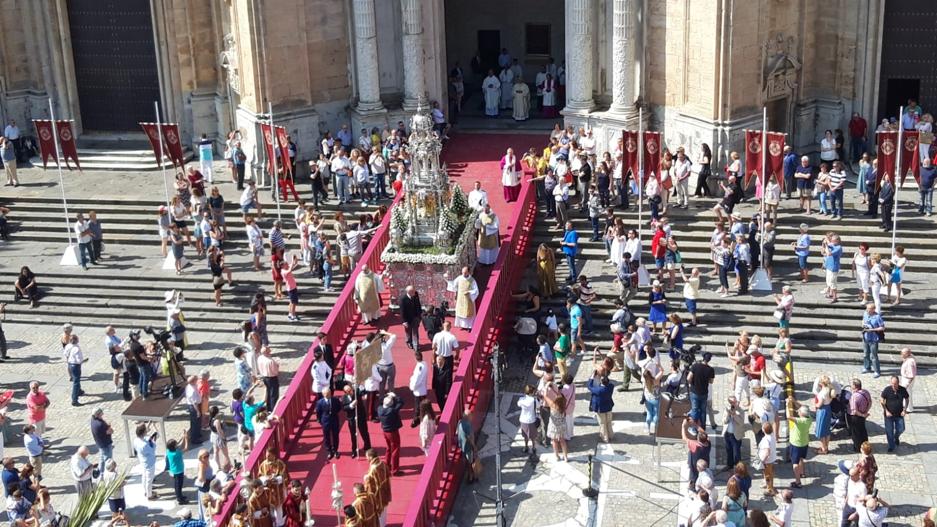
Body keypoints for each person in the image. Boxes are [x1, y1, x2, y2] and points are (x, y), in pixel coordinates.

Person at [881, 375, 909, 452]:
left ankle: (896, 437)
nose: (894, 385)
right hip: (889, 415)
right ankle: (891, 446)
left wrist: (905, 409)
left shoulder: (902, 390)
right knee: (889, 431)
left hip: (899, 414)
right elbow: (882, 401)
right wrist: (886, 411)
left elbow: (907, 399)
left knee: (901, 428)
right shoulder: (887, 390)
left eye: (895, 383)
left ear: (898, 383)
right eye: (892, 383)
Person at [377, 393, 404, 474]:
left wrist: (387, 396)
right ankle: (395, 470)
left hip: (385, 431)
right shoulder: (392, 411)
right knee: (395, 449)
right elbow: (401, 402)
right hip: (392, 432)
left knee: (389, 448)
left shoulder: (380, 409)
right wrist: (395, 396)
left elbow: (381, 401)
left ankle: (387, 464)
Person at [687, 352, 715, 429]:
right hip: (704, 393)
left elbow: (688, 378)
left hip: (694, 392)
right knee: (703, 411)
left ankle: (693, 428)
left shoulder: (695, 366)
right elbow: (711, 381)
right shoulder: (711, 370)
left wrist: (691, 384)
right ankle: (703, 427)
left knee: (695, 410)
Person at [587, 371, 614, 443]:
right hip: (608, 407)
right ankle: (611, 435)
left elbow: (589, 386)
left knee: (603, 423)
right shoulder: (611, 387)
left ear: (601, 382)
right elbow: (610, 383)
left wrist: (592, 378)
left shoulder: (598, 390)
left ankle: (605, 438)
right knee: (608, 422)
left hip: (600, 409)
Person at [133, 424, 158, 500]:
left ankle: (146, 491)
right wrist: (153, 442)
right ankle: (149, 495)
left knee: (144, 476)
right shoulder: (144, 445)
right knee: (149, 479)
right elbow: (152, 450)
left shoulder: (136, 440)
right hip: (149, 462)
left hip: (143, 461)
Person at [860, 303, 884, 378]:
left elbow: (882, 328)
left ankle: (877, 371)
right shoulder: (865, 314)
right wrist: (863, 324)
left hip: (874, 339)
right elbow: (863, 320)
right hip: (866, 337)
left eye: (869, 309)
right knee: (865, 354)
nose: (867, 310)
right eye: (867, 308)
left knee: (874, 356)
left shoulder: (877, 317)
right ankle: (867, 367)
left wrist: (872, 330)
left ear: (873, 309)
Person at [63, 334, 85, 407]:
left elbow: (65, 354)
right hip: (75, 365)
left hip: (70, 363)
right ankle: (74, 399)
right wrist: (82, 361)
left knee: (76, 380)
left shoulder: (68, 346)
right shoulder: (76, 348)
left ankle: (79, 391)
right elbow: (79, 359)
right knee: (76, 381)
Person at [90, 407, 114, 473]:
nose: (102, 414)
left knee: (102, 459)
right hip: (105, 444)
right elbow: (110, 431)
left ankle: (101, 472)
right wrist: (109, 427)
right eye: (101, 413)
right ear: (97, 415)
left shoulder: (93, 420)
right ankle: (108, 473)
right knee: (108, 460)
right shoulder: (100, 424)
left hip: (100, 444)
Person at [398, 286, 422, 350]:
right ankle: (409, 342)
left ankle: (416, 345)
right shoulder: (403, 299)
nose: (415, 292)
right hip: (407, 319)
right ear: (409, 292)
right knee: (408, 332)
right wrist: (404, 321)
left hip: (416, 318)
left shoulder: (415, 294)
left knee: (415, 332)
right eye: (413, 291)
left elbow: (418, 305)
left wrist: (419, 316)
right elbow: (402, 311)